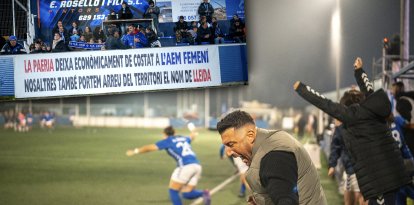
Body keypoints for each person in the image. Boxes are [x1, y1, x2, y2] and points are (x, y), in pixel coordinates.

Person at [294, 57, 410, 205]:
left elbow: (325, 104)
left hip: (379, 181)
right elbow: (369, 90)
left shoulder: (352, 115)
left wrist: (301, 89)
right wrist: (359, 71)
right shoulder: (374, 110)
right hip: (394, 174)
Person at [217, 110, 327, 205]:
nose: (229, 152)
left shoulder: (273, 156)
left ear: (250, 135)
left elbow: (286, 200)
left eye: (231, 144)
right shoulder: (271, 141)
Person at [126, 126, 211, 205]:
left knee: (173, 191)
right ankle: (204, 193)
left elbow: (149, 148)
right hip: (197, 166)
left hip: (185, 166)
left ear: (164, 134)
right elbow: (192, 136)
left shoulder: (167, 141)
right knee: (186, 193)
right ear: (174, 133)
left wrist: (135, 151)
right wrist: (192, 129)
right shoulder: (183, 138)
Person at [328, 119, 367, 205]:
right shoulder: (341, 127)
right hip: (351, 167)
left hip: (359, 166)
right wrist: (332, 165)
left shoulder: (362, 123)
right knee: (354, 197)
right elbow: (335, 146)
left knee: (359, 197)